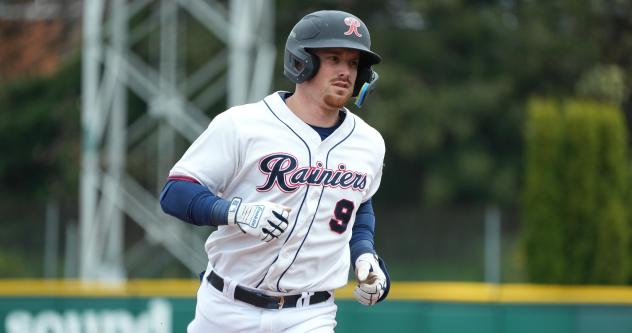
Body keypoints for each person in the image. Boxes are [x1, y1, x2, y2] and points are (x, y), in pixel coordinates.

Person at [160, 9, 390, 333]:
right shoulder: (243, 124)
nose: (345, 71)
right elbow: (176, 191)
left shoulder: (368, 142)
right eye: (334, 58)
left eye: (353, 63)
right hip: (226, 308)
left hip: (309, 314)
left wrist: (365, 255)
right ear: (302, 61)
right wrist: (234, 212)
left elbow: (359, 204)